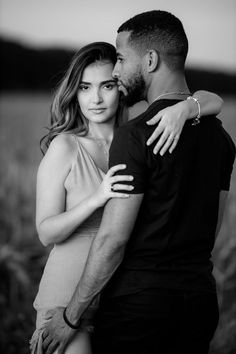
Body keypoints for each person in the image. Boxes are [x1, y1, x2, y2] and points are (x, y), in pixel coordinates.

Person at [31, 37, 224, 354]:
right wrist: (97, 197)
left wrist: (187, 108)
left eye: (106, 86)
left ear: (120, 86)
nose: (95, 98)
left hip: (118, 300)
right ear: (74, 92)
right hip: (65, 299)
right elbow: (45, 232)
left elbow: (213, 100)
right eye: (84, 87)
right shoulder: (65, 147)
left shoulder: (138, 138)